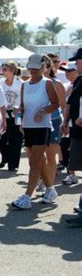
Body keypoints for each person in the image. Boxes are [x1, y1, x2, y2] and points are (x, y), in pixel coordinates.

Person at [11, 54, 59, 210]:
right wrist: (19, 110)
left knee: (34, 162)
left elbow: (56, 104)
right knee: (38, 160)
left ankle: (27, 196)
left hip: (42, 126)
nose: (32, 70)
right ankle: (50, 189)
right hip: (28, 126)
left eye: (36, 68)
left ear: (43, 68)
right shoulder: (25, 85)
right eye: (30, 67)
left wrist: (43, 111)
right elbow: (24, 105)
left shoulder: (47, 83)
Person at [36, 56, 66, 199]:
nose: (42, 69)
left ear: (49, 67)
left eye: (45, 66)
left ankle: (50, 188)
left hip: (53, 121)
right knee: (36, 156)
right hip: (36, 124)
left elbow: (61, 105)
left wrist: (65, 123)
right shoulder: (31, 84)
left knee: (50, 155)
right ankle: (44, 179)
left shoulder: (57, 83)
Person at [63, 48, 82, 226]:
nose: (76, 64)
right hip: (77, 130)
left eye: (78, 61)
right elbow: (72, 102)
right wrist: (67, 120)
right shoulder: (79, 80)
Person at [0, 62, 24, 172]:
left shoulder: (20, 83)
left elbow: (24, 99)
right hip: (3, 114)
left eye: (5, 70)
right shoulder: (1, 83)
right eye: (2, 69)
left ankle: (13, 165)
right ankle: (6, 156)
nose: (3, 72)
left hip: (17, 114)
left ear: (12, 71)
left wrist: (20, 108)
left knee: (15, 140)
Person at [61, 60, 81, 185]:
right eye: (66, 71)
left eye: (69, 71)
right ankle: (71, 174)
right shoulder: (75, 83)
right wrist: (66, 120)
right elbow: (69, 103)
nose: (67, 73)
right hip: (74, 123)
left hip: (78, 122)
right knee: (70, 148)